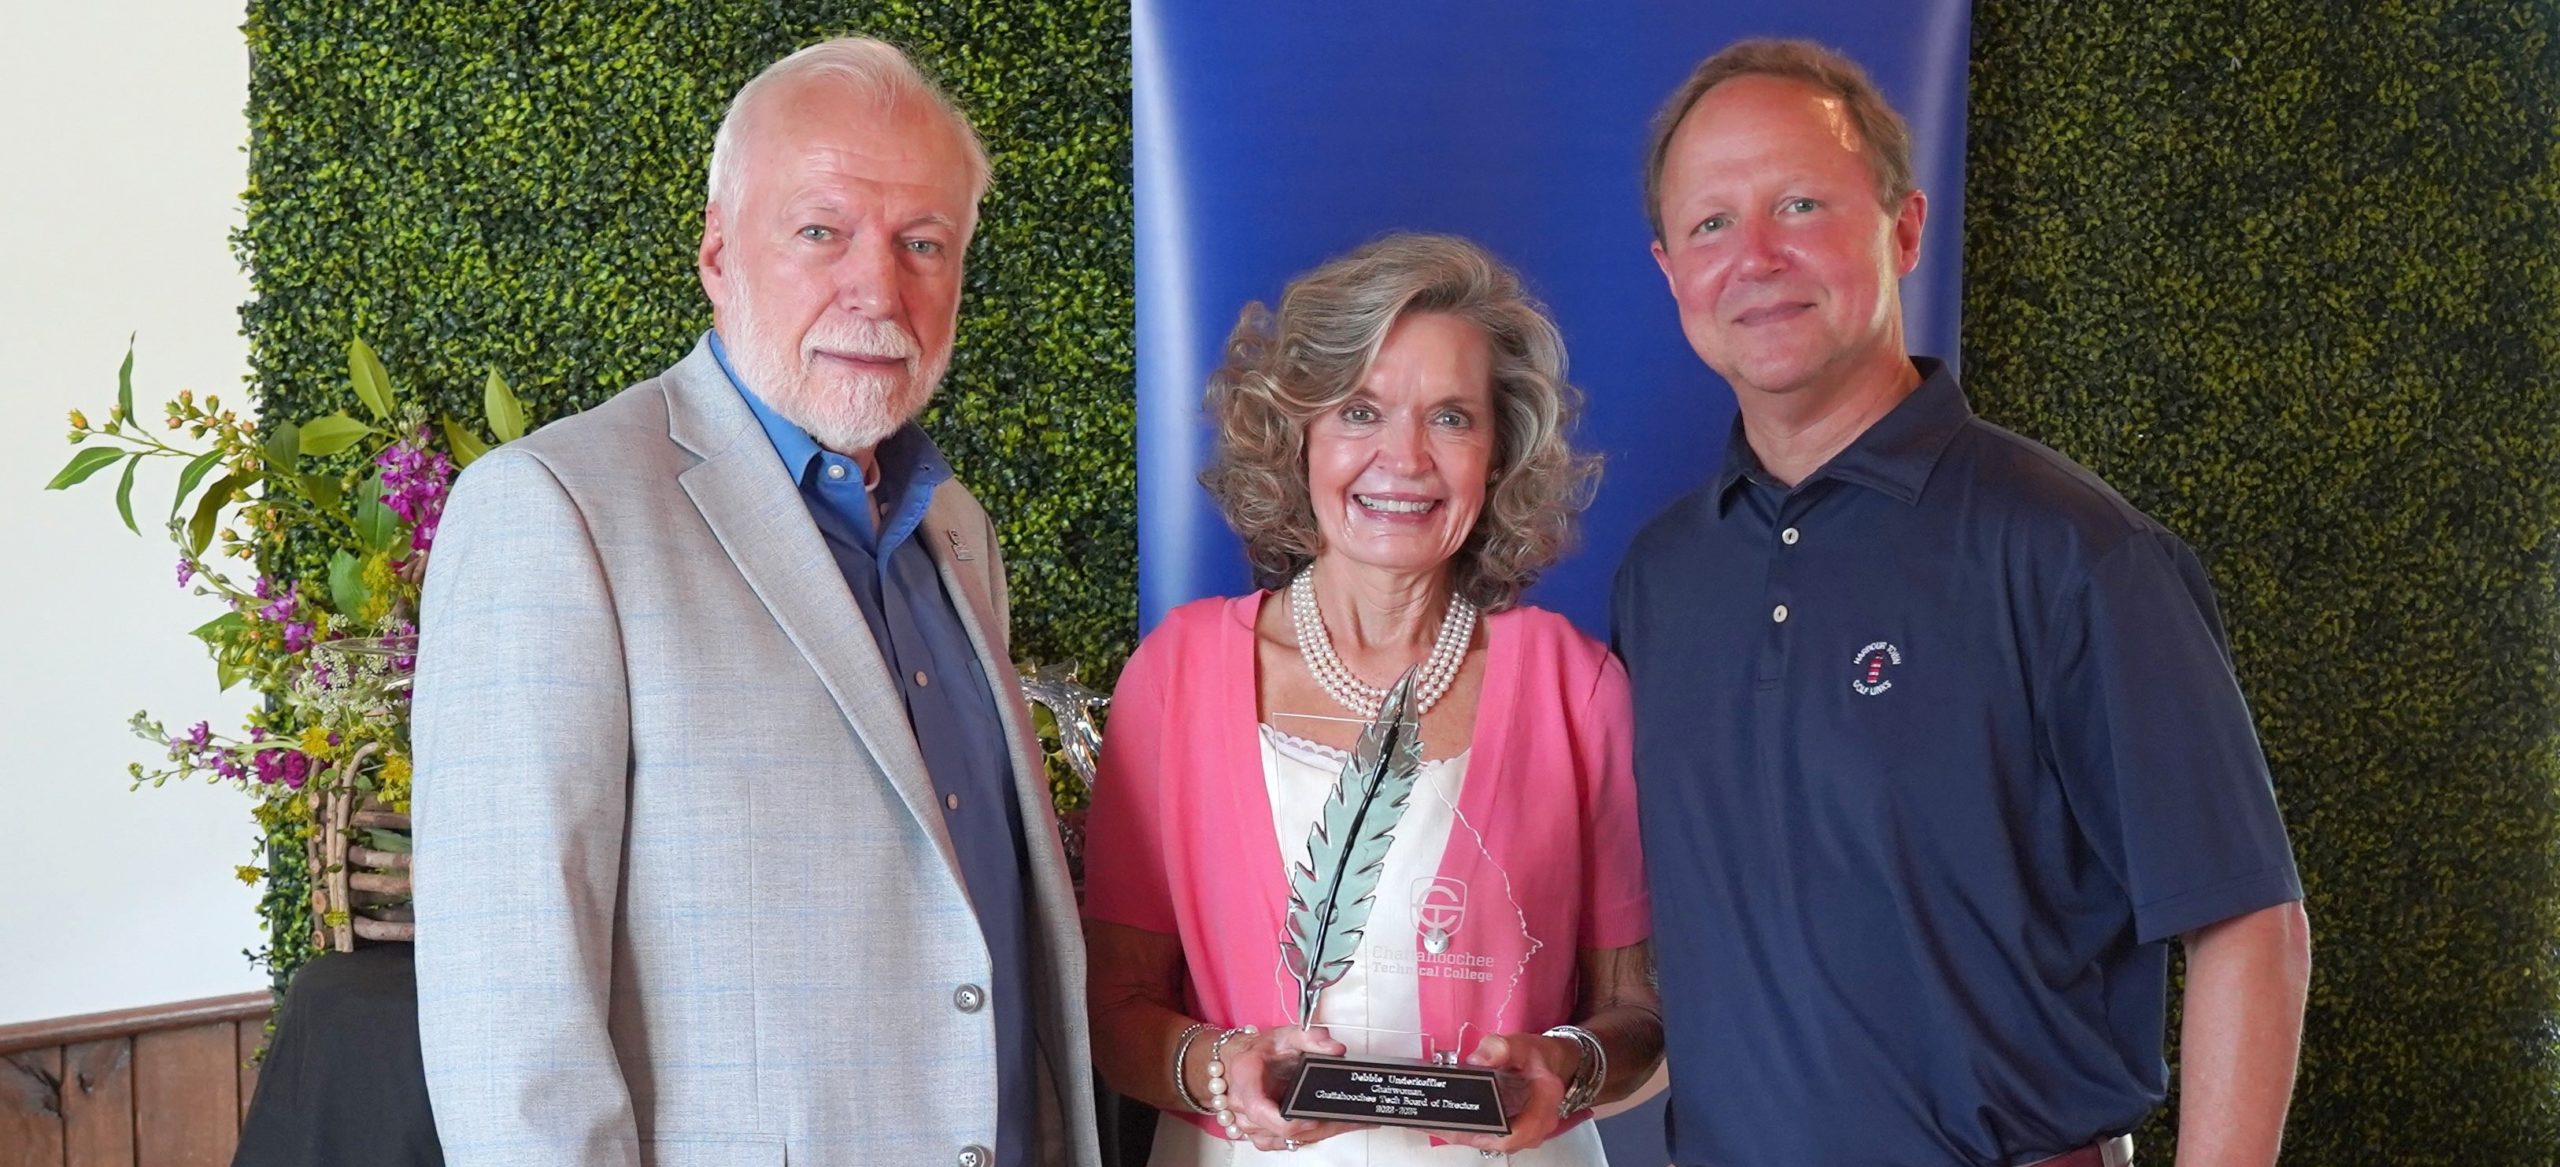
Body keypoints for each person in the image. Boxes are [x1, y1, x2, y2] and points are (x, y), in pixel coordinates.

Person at [1614, 38, 2313, 1167]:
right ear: (1667, 271)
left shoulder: (2073, 551)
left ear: (1902, 229)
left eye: (1800, 204)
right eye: (1709, 224)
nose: (1754, 256)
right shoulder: (1661, 578)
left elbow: (2249, 928)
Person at [411, 37, 1098, 1167]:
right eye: (821, 231)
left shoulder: (954, 529)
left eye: (922, 243)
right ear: (721, 255)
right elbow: (507, 1017)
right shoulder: (553, 509)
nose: (879, 287)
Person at [1082, 233, 1662, 1165]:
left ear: (1499, 451)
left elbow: (1642, 1012)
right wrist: (1217, 1066)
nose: (1404, 458)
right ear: (1296, 433)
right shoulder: (1176, 677)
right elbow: (1110, 1015)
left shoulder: (1577, 686)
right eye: (1359, 409)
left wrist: (1571, 1066)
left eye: (1451, 418)